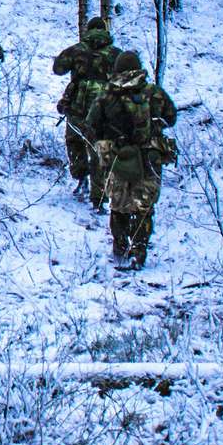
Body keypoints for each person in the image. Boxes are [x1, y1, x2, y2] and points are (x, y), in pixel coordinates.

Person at [85, 50, 178, 269]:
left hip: (118, 157)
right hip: (149, 157)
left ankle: (120, 248)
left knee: (118, 204)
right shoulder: (154, 92)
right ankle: (139, 250)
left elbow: (91, 125)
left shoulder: (107, 95)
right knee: (143, 206)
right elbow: (171, 117)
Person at [53, 16, 121, 207]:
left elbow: (58, 68)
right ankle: (99, 196)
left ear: (88, 30)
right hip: (105, 109)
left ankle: (81, 177)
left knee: (74, 141)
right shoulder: (116, 54)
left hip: (77, 107)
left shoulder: (76, 50)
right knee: (100, 148)